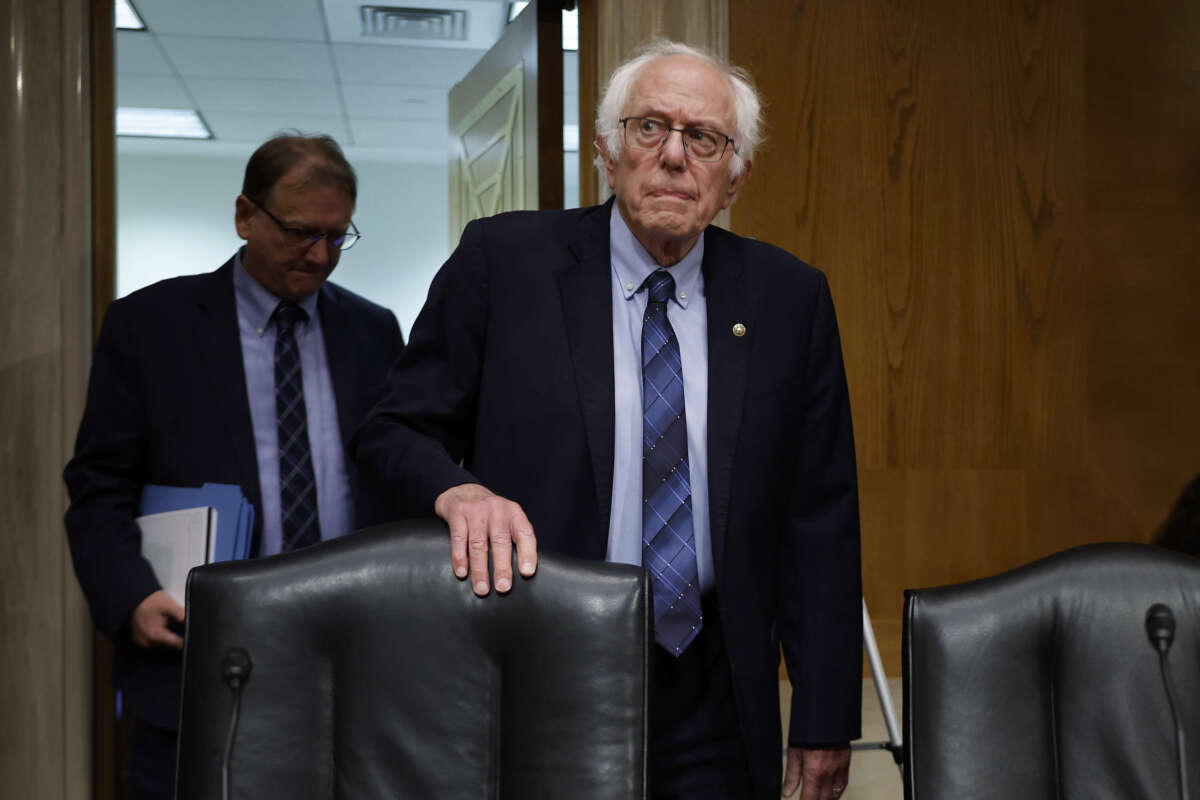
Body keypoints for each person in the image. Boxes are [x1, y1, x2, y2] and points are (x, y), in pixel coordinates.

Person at [353, 41, 862, 800]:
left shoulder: (790, 300)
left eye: (705, 139)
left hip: (715, 693)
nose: (674, 157)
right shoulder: (506, 262)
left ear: (736, 177)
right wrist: (457, 493)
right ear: (606, 150)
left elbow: (819, 520)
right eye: (649, 128)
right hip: (537, 663)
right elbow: (391, 435)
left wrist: (824, 718)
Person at [64, 134, 403, 800]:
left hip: (349, 662)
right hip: (198, 654)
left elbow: (392, 480)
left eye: (338, 237)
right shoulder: (151, 326)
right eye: (301, 233)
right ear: (246, 216)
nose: (319, 257)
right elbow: (98, 487)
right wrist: (129, 594)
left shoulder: (373, 332)